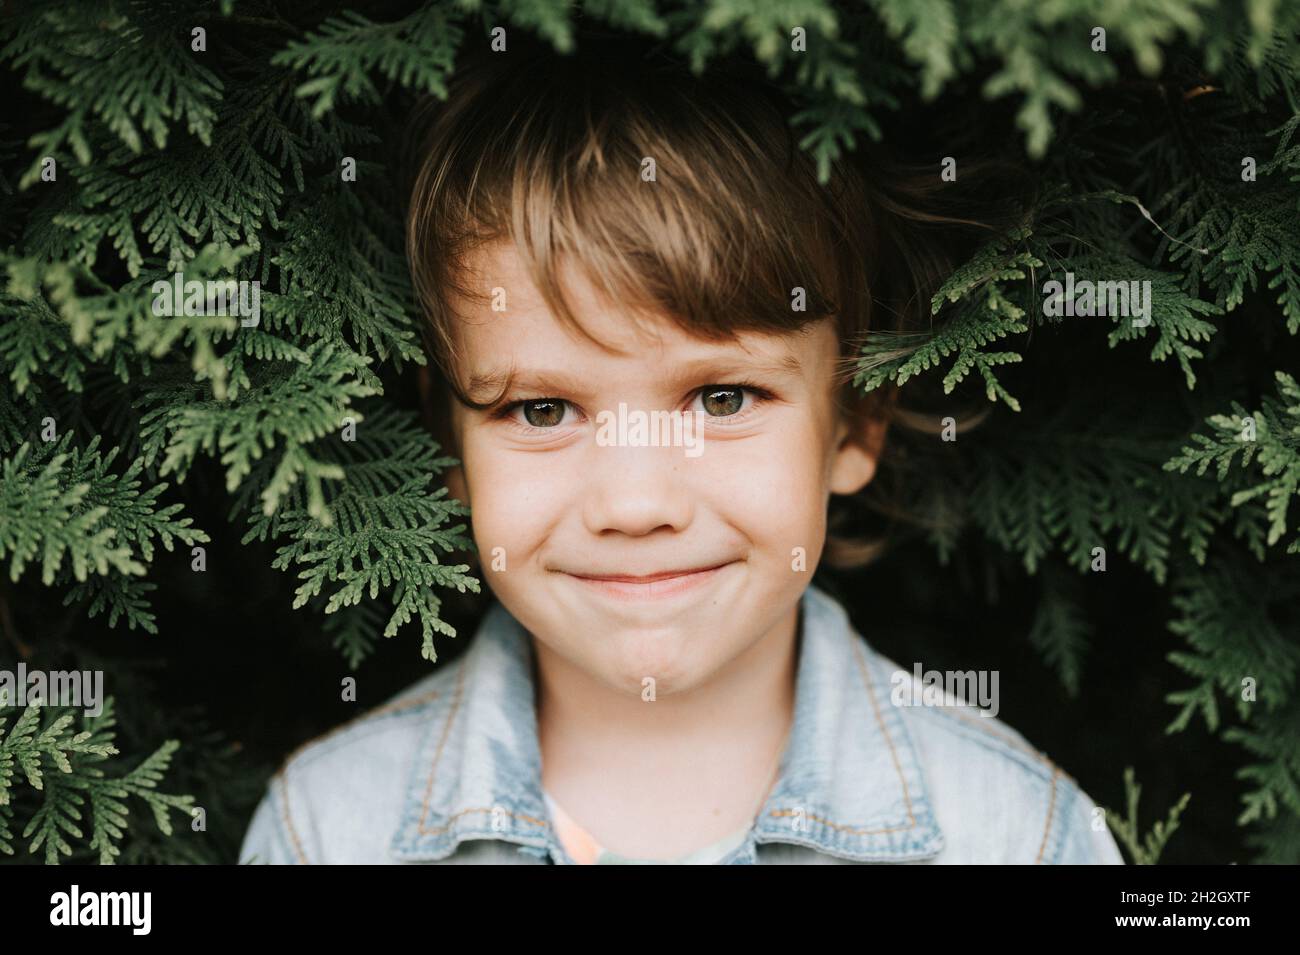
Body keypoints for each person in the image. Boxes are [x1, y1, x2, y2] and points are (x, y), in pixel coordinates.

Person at [240, 35, 1125, 865]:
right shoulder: (327, 831)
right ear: (451, 443)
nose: (634, 503)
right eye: (543, 409)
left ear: (854, 424)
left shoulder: (1014, 835)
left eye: (722, 398)